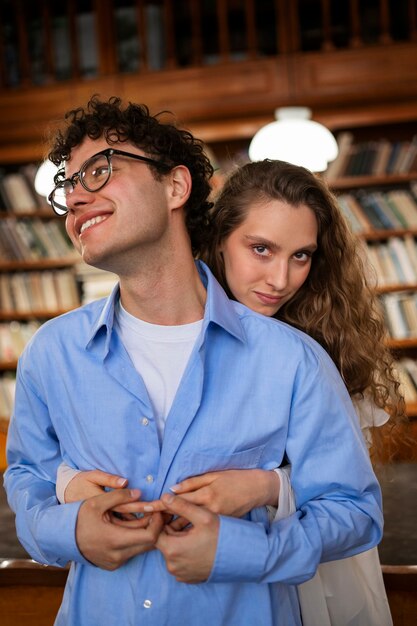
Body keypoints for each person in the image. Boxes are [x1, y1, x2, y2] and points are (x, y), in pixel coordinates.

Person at [4, 96, 383, 626]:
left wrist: (244, 550)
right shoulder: (50, 353)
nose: (77, 196)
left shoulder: (293, 361)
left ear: (175, 187)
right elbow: (28, 478)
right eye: (68, 185)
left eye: (100, 170)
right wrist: (69, 532)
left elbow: (355, 512)